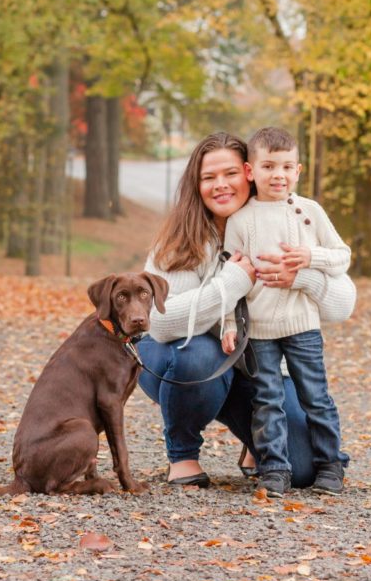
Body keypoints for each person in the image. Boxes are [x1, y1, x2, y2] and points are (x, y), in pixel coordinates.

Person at [137, 131, 356, 489]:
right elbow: (161, 325)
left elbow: (344, 303)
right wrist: (233, 282)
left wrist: (301, 277)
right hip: (181, 359)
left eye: (230, 174)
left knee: (303, 469)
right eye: (209, 178)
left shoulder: (291, 217)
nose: (220, 185)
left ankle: (256, 444)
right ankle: (183, 456)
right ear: (197, 184)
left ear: (250, 173)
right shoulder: (179, 239)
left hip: (258, 366)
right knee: (197, 355)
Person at [221, 126, 352, 497]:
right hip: (260, 329)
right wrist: (228, 323)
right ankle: (274, 468)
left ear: (298, 170)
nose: (278, 175)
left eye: (286, 167)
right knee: (267, 399)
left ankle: (331, 464)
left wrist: (312, 258)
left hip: (303, 325)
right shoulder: (241, 220)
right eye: (268, 166)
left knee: (315, 395)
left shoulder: (309, 212)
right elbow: (231, 276)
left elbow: (342, 256)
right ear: (251, 171)